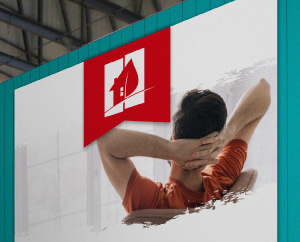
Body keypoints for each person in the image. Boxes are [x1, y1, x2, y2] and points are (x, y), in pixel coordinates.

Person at [96, 79, 271, 214]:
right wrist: (229, 132)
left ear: (174, 138)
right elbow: (264, 88)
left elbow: (104, 140)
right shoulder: (222, 178)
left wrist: (169, 149)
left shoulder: (153, 202)